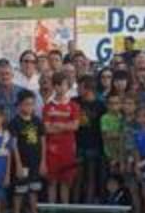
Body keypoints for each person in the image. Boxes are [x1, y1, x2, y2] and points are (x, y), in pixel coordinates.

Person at [9, 90, 45, 213]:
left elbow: (43, 141)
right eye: (26, 104)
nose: (29, 107)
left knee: (34, 189)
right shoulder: (14, 123)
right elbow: (14, 144)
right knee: (20, 190)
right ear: (19, 105)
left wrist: (43, 161)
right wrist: (17, 164)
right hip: (22, 162)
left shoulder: (37, 121)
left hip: (35, 161)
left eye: (31, 104)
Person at [42, 73, 79, 204]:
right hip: (52, 150)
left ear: (68, 86)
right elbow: (47, 128)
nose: (60, 88)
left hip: (68, 149)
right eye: (57, 85)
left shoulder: (73, 105)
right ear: (53, 86)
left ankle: (65, 210)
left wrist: (59, 125)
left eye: (63, 85)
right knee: (52, 183)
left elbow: (75, 126)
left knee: (66, 182)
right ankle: (52, 212)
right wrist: (66, 126)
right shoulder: (48, 106)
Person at [75, 75, 106, 203]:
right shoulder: (74, 102)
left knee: (92, 177)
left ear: (87, 89)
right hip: (78, 144)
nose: (77, 89)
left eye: (79, 87)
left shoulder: (100, 106)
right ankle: (75, 205)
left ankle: (88, 204)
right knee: (77, 177)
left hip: (94, 145)